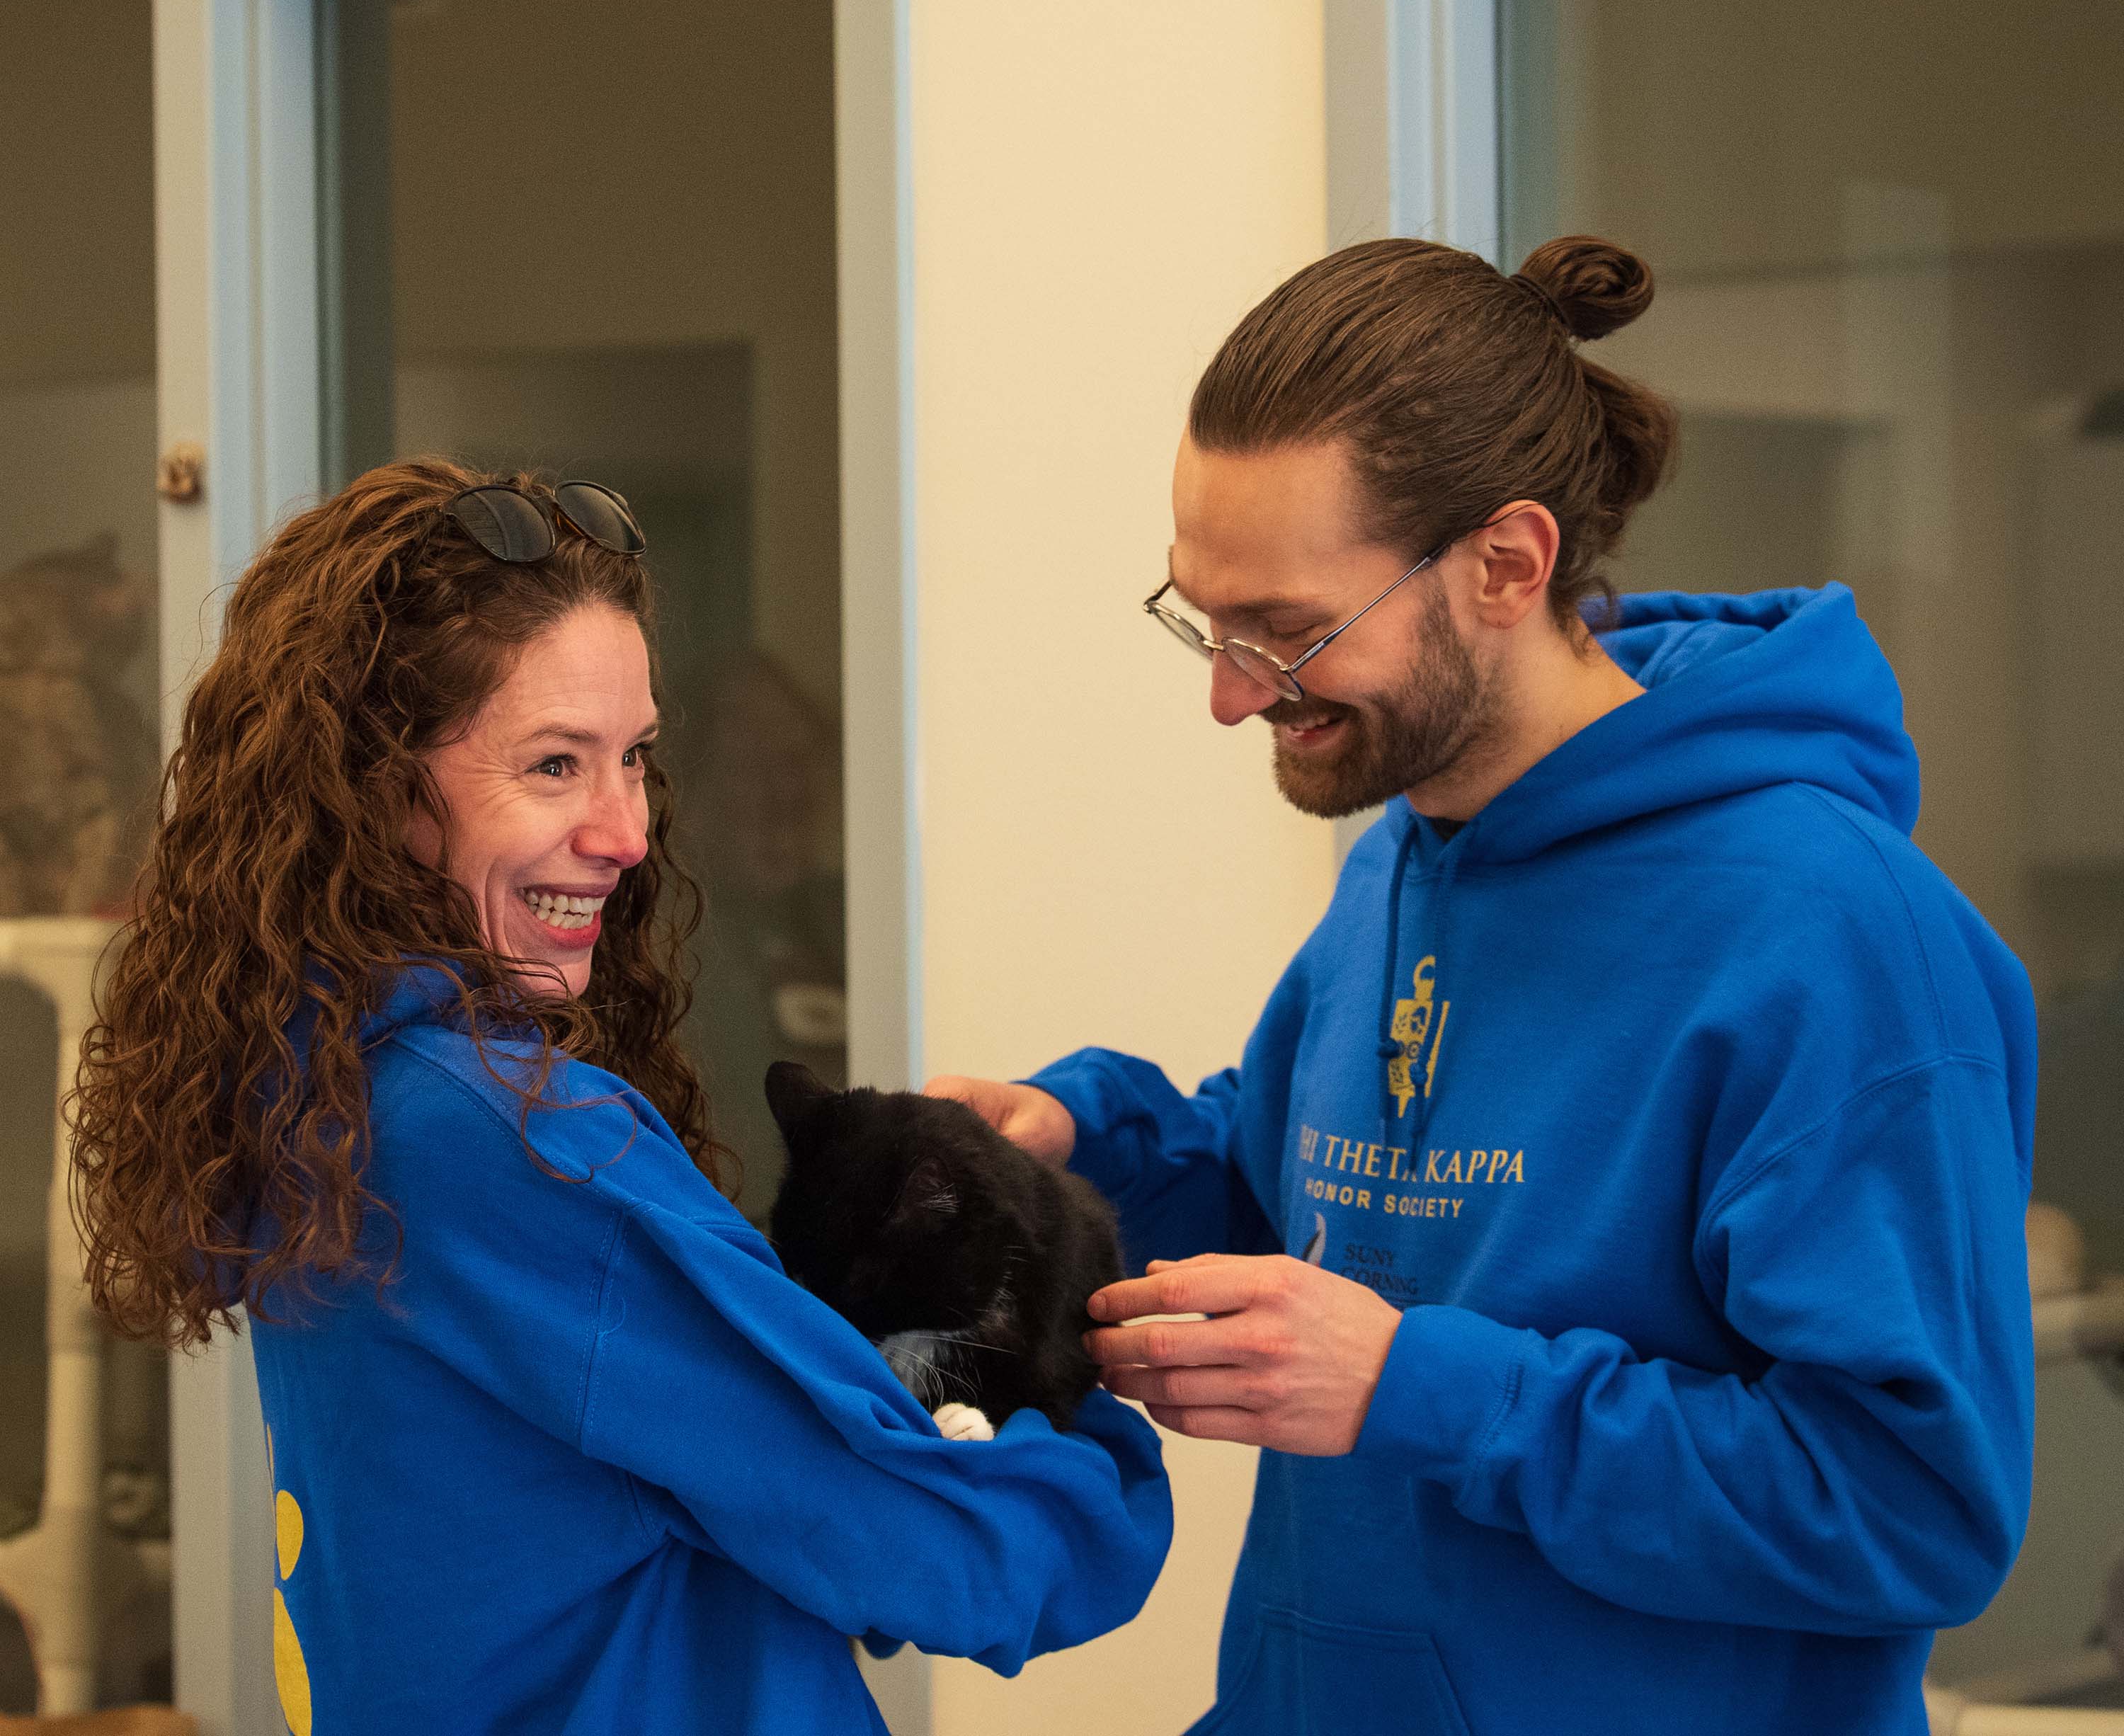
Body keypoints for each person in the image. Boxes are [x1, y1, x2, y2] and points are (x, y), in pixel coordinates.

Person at [930, 237, 2036, 1735]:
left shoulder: (1837, 941)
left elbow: (1912, 1505)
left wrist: (1427, 1387)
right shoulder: (1405, 854)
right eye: (1204, 616)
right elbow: (1301, 1208)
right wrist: (1076, 1152)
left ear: (1506, 565)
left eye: (1288, 629)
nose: (1231, 690)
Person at [68, 460, 1169, 1735]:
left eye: (634, 758)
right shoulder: (519, 1148)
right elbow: (952, 1559)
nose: (629, 832)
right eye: (552, 765)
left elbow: (739, 1502)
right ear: (375, 791)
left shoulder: (321, 1089)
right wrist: (1094, 1421)